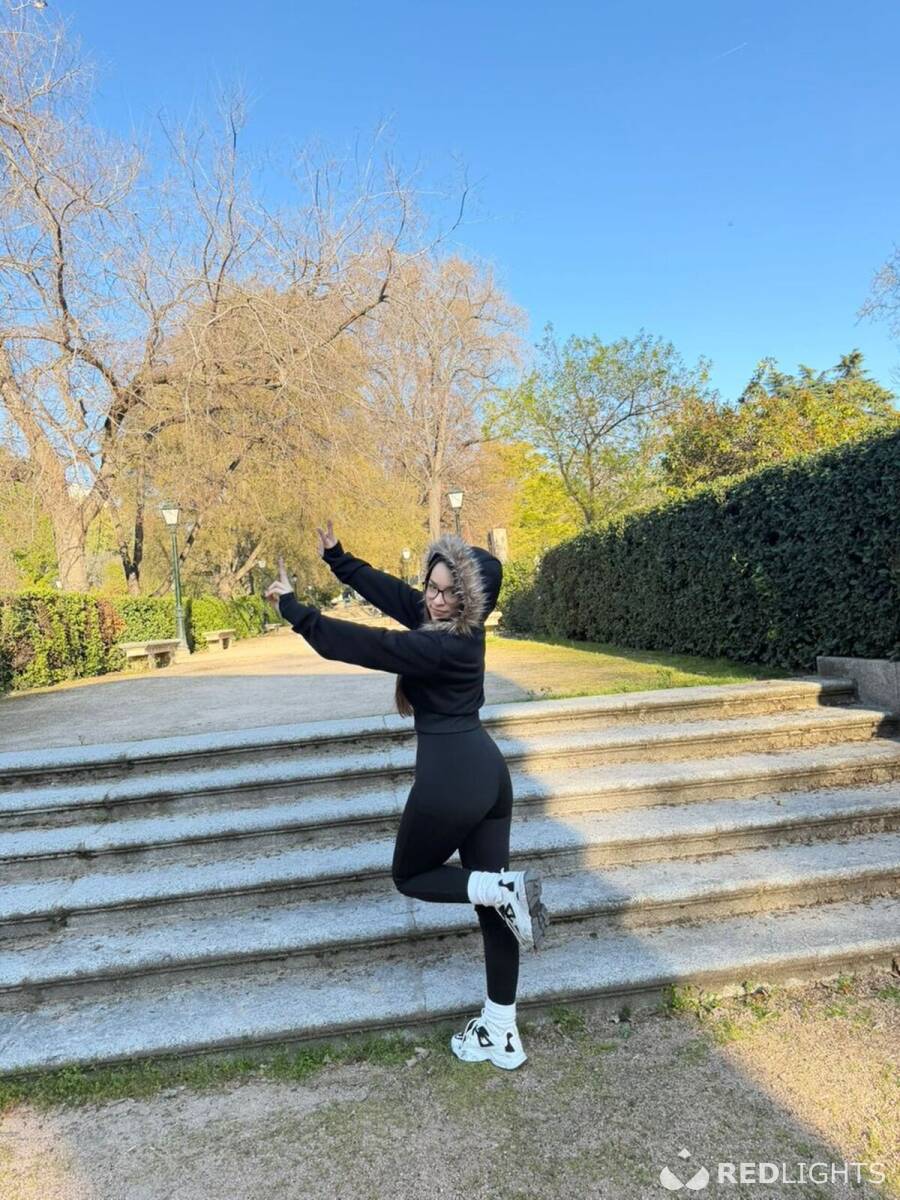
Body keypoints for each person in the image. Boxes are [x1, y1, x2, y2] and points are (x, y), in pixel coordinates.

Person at [264, 521, 550, 1070]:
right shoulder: (454, 628)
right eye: (432, 587)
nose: (435, 600)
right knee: (494, 905)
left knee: (411, 875)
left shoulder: (441, 645)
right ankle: (501, 1030)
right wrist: (339, 558)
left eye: (448, 593)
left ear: (471, 602)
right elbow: (396, 595)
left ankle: (502, 889)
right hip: (487, 772)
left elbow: (369, 645)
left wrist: (296, 612)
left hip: (451, 780)